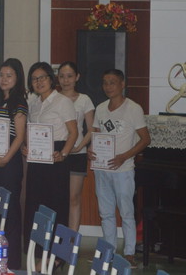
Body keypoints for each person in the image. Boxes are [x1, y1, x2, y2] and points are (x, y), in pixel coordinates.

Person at [89, 69, 150, 268]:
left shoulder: (133, 108)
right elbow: (96, 136)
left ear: (122, 84)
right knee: (106, 213)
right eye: (105, 82)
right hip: (102, 169)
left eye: (112, 82)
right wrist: (91, 150)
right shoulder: (100, 108)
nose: (108, 86)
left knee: (126, 213)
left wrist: (125, 156)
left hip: (123, 170)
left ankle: (130, 253)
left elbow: (145, 139)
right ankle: (109, 251)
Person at [22, 62, 78, 249]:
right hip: (37, 159)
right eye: (34, 79)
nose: (39, 82)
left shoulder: (63, 101)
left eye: (42, 78)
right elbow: (30, 132)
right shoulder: (34, 103)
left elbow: (73, 132)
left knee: (56, 205)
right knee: (36, 204)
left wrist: (64, 153)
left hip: (56, 157)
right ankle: (37, 251)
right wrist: (25, 147)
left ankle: (56, 254)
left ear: (51, 79)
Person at [0, 58, 27, 269]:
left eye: (9, 75)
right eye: (1, 75)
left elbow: (19, 136)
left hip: (9, 162)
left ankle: (13, 263)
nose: (4, 79)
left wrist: (6, 158)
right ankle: (0, 258)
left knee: (10, 212)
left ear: (17, 78)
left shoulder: (19, 103)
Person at [57, 61, 95, 233]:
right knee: (59, 197)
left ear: (77, 77)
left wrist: (80, 146)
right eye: (62, 76)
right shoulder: (53, 98)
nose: (66, 81)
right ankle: (58, 235)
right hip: (57, 153)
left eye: (70, 76)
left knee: (74, 198)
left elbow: (92, 128)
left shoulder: (84, 99)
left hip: (77, 154)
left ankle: (71, 239)